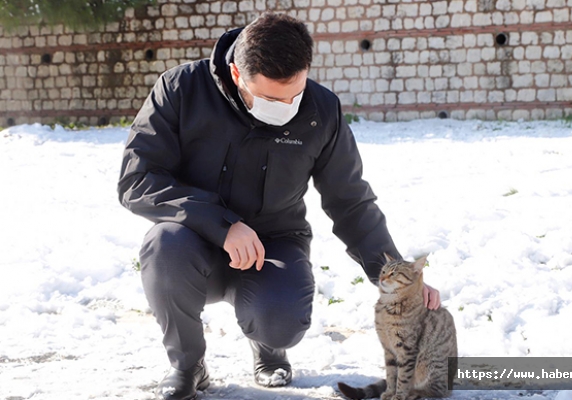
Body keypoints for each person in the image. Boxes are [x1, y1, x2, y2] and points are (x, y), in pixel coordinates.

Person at [117, 12, 442, 400]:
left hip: (274, 244)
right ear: (237, 75)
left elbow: (351, 202)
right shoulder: (181, 89)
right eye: (272, 99)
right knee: (163, 245)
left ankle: (269, 347)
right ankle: (188, 366)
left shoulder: (322, 111)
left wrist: (396, 277)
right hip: (194, 243)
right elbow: (138, 179)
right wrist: (222, 225)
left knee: (282, 320)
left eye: (295, 93)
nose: (287, 106)